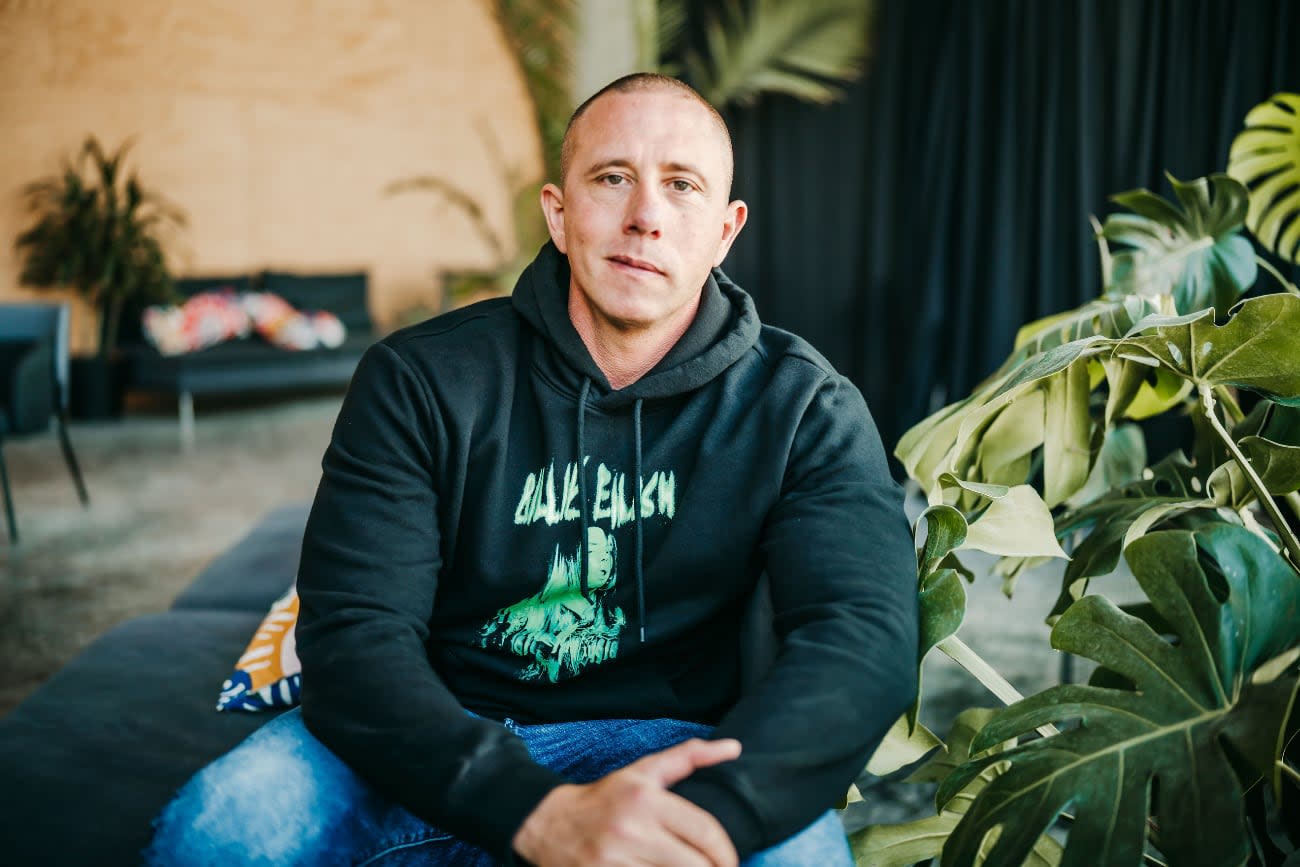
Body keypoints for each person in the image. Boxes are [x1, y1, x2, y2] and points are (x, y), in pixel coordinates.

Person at [145, 72, 918, 866]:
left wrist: (715, 819)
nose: (645, 217)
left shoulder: (803, 406)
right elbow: (356, 637)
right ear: (558, 211)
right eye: (612, 177)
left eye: (681, 186)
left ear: (725, 231)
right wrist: (535, 811)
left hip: (671, 749)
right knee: (219, 828)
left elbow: (861, 637)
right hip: (435, 734)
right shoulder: (420, 378)